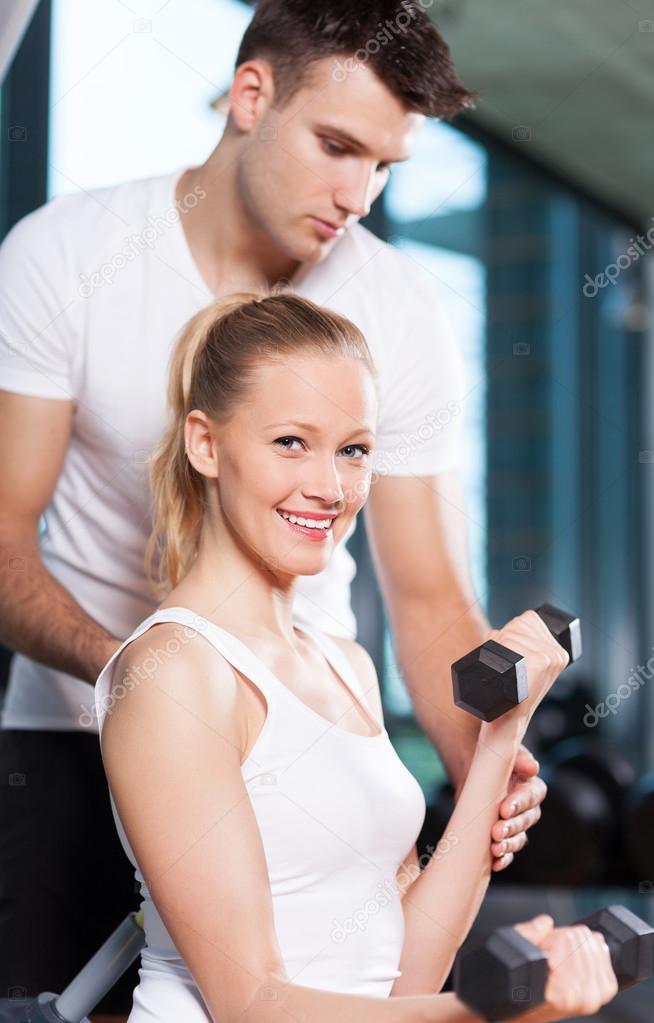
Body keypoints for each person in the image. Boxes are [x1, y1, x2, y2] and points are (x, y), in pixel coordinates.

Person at [0, 2, 545, 1015]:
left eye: (384, 165)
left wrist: (488, 767)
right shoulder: (68, 253)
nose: (358, 194)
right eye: (337, 146)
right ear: (251, 94)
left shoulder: (395, 311)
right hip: (71, 734)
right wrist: (145, 677)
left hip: (308, 729)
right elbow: (1, 539)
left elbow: (427, 603)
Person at [94, 290, 617, 1023]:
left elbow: (400, 973)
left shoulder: (347, 665)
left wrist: (502, 736)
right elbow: (250, 1004)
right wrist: (489, 1006)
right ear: (205, 444)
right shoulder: (175, 672)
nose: (330, 487)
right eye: (290, 442)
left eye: (354, 449)